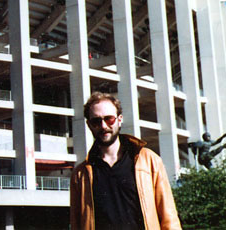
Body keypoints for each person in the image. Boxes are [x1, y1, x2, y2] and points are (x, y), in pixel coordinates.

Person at [70, 92, 181, 230]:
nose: (103, 126)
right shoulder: (80, 174)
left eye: (109, 119)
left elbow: (169, 217)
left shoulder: (149, 160)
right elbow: (76, 223)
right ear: (89, 124)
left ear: (119, 119)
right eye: (96, 121)